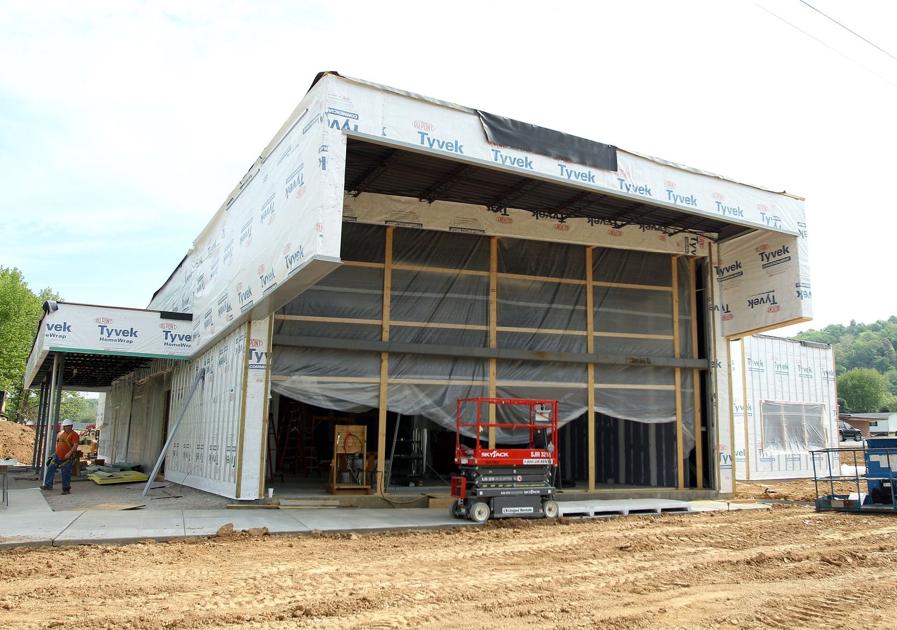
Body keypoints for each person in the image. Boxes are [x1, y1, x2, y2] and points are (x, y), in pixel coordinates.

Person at [41, 418, 80, 494]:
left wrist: (69, 453)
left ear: (71, 426)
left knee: (65, 472)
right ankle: (48, 485)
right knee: (51, 467)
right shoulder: (63, 434)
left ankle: (66, 489)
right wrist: (55, 453)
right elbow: (59, 444)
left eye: (67, 426)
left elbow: (75, 445)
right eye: (65, 426)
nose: (66, 428)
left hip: (67, 457)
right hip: (57, 455)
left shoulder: (74, 435)